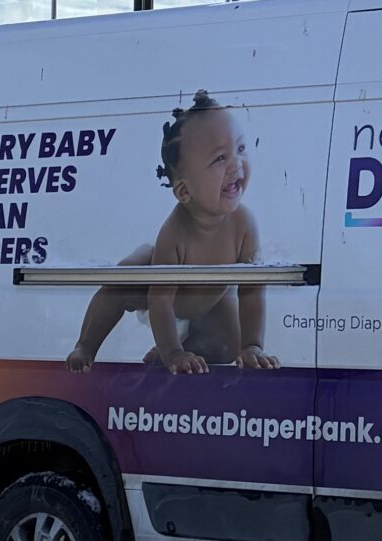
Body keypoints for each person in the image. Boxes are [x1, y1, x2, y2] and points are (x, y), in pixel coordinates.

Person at [62, 93, 278, 374]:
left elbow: (252, 288)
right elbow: (160, 300)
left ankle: (192, 346)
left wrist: (251, 346)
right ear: (184, 191)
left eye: (240, 148)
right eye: (220, 158)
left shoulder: (244, 224)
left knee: (229, 343)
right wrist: (171, 352)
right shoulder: (175, 231)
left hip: (210, 296)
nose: (236, 164)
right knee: (120, 283)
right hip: (161, 290)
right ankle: (85, 345)